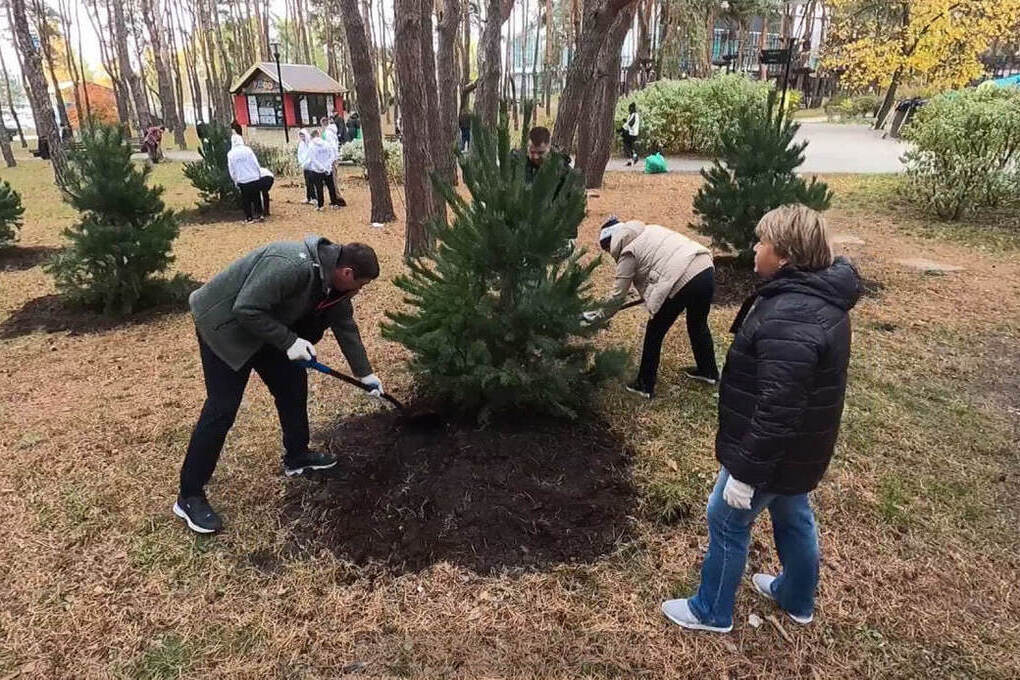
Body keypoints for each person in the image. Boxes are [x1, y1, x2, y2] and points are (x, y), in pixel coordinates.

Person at [661, 204, 860, 633]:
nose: (754, 248)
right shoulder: (820, 299)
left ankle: (710, 611)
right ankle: (796, 597)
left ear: (785, 255)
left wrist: (745, 475)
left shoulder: (791, 316)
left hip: (772, 452)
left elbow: (776, 408)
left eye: (762, 241)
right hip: (802, 449)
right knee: (793, 512)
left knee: (726, 519)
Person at [174, 236, 386, 534]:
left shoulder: (335, 285)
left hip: (267, 328)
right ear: (347, 273)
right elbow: (245, 308)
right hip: (224, 326)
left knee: (291, 385)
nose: (359, 290)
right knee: (222, 409)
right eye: (360, 284)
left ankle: (297, 456)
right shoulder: (291, 265)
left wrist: (365, 374)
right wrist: (289, 341)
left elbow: (345, 326)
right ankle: (189, 495)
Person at [589, 217, 718, 399]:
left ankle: (644, 385)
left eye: (606, 248)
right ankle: (708, 372)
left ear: (611, 242)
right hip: (704, 268)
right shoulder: (649, 230)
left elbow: (616, 298)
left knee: (654, 332)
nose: (609, 253)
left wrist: (594, 318)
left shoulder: (627, 252)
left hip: (681, 278)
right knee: (698, 323)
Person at [227, 134, 263, 223]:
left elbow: (231, 169)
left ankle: (249, 217)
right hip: (253, 177)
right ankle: (259, 214)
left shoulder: (230, 154)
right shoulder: (247, 150)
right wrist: (259, 173)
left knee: (245, 199)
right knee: (256, 197)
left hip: (242, 179)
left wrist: (235, 180)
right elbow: (255, 162)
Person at [306, 129, 346, 210]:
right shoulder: (326, 144)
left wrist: (321, 167)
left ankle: (321, 205)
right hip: (328, 169)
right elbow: (331, 155)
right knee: (331, 186)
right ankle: (334, 203)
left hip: (317, 170)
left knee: (319, 188)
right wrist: (327, 166)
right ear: (318, 135)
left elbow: (313, 158)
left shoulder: (311, 145)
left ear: (312, 137)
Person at [297, 129, 317, 205]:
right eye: (300, 135)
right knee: (307, 182)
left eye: (302, 135)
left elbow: (311, 154)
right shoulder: (301, 144)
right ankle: (308, 197)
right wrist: (302, 163)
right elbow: (299, 154)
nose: (301, 136)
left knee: (311, 182)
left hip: (311, 166)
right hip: (304, 166)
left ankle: (314, 198)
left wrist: (308, 162)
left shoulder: (310, 143)